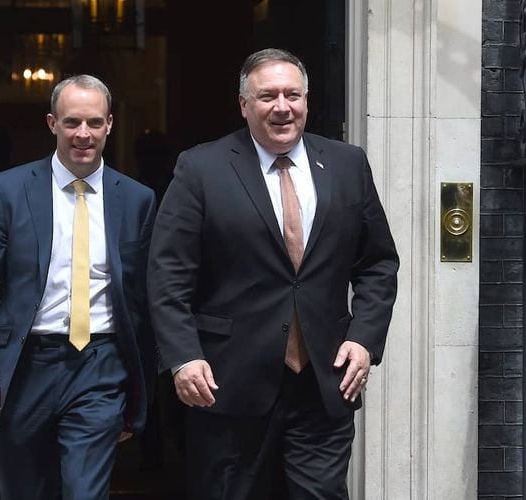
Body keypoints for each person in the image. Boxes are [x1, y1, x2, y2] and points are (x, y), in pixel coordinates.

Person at [147, 48, 399, 499]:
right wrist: (183, 356)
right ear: (244, 105)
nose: (282, 106)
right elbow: (168, 273)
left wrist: (363, 340)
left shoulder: (347, 164)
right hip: (226, 383)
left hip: (324, 381)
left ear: (307, 100)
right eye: (267, 96)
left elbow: (378, 263)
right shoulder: (201, 168)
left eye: (292, 95)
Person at [0, 74, 157, 500]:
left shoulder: (138, 199)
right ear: (52, 124)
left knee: (86, 493)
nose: (83, 134)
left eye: (94, 123)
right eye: (71, 123)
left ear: (109, 125)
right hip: (25, 366)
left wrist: (139, 391)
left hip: (100, 365)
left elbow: (144, 298)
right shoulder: (8, 191)